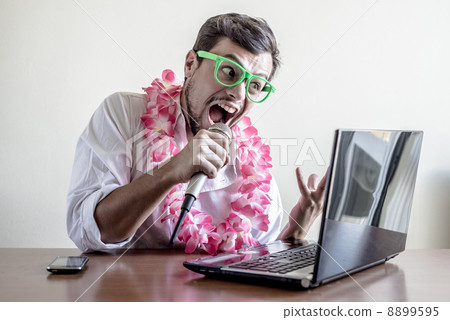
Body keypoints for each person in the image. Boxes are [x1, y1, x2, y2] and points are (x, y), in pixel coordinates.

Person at [66, 13, 326, 254]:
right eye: (229, 71)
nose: (239, 93)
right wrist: (172, 170)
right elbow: (88, 231)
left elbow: (260, 258)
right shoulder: (123, 112)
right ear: (190, 64)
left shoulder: (253, 167)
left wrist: (298, 228)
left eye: (255, 85)